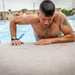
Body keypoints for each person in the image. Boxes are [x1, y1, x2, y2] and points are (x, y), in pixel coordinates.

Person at [10, 0, 74, 45]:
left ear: (53, 15)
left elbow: (72, 37)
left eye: (49, 19)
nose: (46, 22)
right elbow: (13, 21)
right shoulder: (32, 19)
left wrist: (50, 40)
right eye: (43, 19)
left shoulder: (60, 17)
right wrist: (14, 39)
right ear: (38, 14)